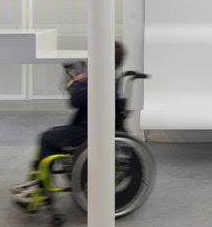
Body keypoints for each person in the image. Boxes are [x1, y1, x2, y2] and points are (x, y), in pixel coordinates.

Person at [11, 41, 126, 203]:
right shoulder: (107, 79)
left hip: (87, 131)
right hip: (90, 127)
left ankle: (41, 189)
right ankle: (37, 182)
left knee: (47, 138)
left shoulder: (101, 82)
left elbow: (75, 101)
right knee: (51, 133)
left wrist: (77, 81)